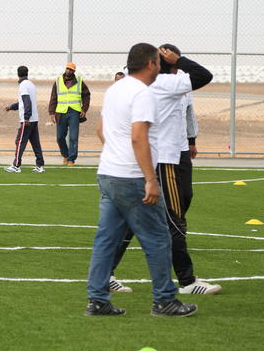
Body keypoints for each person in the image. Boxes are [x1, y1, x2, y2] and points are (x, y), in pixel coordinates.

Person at [85, 42, 196, 317]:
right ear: (151, 64)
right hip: (132, 177)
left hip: (108, 173)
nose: (161, 68)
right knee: (159, 238)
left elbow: (101, 130)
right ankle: (164, 300)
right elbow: (138, 137)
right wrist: (150, 178)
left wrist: (115, 154)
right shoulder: (143, 94)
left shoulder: (115, 89)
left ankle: (97, 300)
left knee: (106, 240)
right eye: (159, 63)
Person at [108, 45, 219, 295]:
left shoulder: (170, 82)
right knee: (174, 218)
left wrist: (190, 141)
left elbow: (187, 113)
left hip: (177, 152)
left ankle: (106, 273)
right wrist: (178, 59)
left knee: (138, 218)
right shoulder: (166, 82)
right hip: (165, 157)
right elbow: (204, 75)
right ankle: (187, 281)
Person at [48, 62, 90, 166]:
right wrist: (52, 113)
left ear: (74, 71)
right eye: (67, 69)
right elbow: (53, 97)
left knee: (73, 137)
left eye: (71, 69)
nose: (68, 71)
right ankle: (66, 155)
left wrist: (84, 109)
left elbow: (86, 95)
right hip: (61, 112)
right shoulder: (58, 81)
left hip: (74, 112)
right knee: (60, 137)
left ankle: (71, 159)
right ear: (65, 69)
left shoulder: (79, 81)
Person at [4, 66, 45, 173]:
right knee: (35, 143)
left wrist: (26, 117)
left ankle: (16, 165)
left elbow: (27, 102)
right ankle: (40, 165)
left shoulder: (23, 85)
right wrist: (12, 107)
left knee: (20, 141)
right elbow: (23, 102)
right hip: (34, 118)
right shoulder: (31, 84)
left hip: (27, 120)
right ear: (27, 73)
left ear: (18, 74)